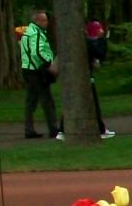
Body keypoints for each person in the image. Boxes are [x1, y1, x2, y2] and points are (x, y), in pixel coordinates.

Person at [56, 21, 115, 140]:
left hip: (78, 76)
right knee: (92, 104)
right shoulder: (88, 43)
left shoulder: (80, 43)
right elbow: (100, 53)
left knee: (75, 102)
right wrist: (104, 40)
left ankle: (63, 129)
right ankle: (100, 129)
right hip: (84, 78)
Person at [19, 9, 57, 139]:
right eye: (44, 20)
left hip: (27, 69)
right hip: (36, 71)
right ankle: (53, 129)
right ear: (37, 21)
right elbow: (37, 51)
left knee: (31, 101)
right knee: (47, 100)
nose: (47, 22)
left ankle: (28, 129)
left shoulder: (27, 33)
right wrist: (49, 63)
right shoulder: (36, 34)